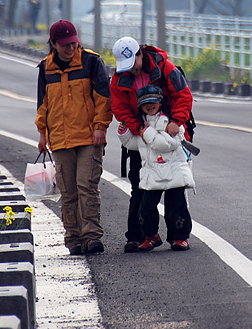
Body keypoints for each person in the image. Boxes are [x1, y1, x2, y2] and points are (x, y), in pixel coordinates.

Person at [110, 36, 194, 252]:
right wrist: (137, 128)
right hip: (143, 137)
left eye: (134, 65)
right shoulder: (119, 78)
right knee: (140, 188)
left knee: (175, 192)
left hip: (170, 132)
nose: (132, 71)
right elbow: (120, 108)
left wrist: (176, 122)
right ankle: (139, 236)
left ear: (140, 54)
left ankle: (179, 236)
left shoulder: (164, 67)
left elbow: (184, 95)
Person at [36, 20, 112, 255]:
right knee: (68, 191)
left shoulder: (91, 62)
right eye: (66, 45)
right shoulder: (45, 69)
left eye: (74, 43)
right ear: (54, 44)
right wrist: (42, 134)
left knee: (86, 186)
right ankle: (74, 238)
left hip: (90, 137)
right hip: (59, 139)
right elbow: (42, 105)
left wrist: (101, 127)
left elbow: (103, 99)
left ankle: (91, 236)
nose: (71, 48)